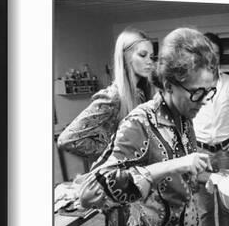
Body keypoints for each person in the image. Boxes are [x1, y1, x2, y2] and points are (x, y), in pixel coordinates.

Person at [76, 27, 219, 226]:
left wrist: (209, 177)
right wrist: (175, 164)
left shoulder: (184, 118)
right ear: (169, 85)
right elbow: (88, 193)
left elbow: (178, 179)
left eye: (209, 91)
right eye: (197, 92)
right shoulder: (140, 121)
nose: (204, 100)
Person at [57, 27, 156, 161]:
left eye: (151, 56)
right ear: (126, 57)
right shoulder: (112, 97)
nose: (150, 61)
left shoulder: (142, 93)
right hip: (120, 175)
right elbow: (67, 139)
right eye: (143, 55)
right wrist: (115, 151)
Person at [193, 32, 229, 226]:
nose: (211, 59)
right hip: (200, 153)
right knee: (204, 208)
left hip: (225, 153)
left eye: (215, 54)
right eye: (207, 53)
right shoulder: (192, 83)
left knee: (227, 205)